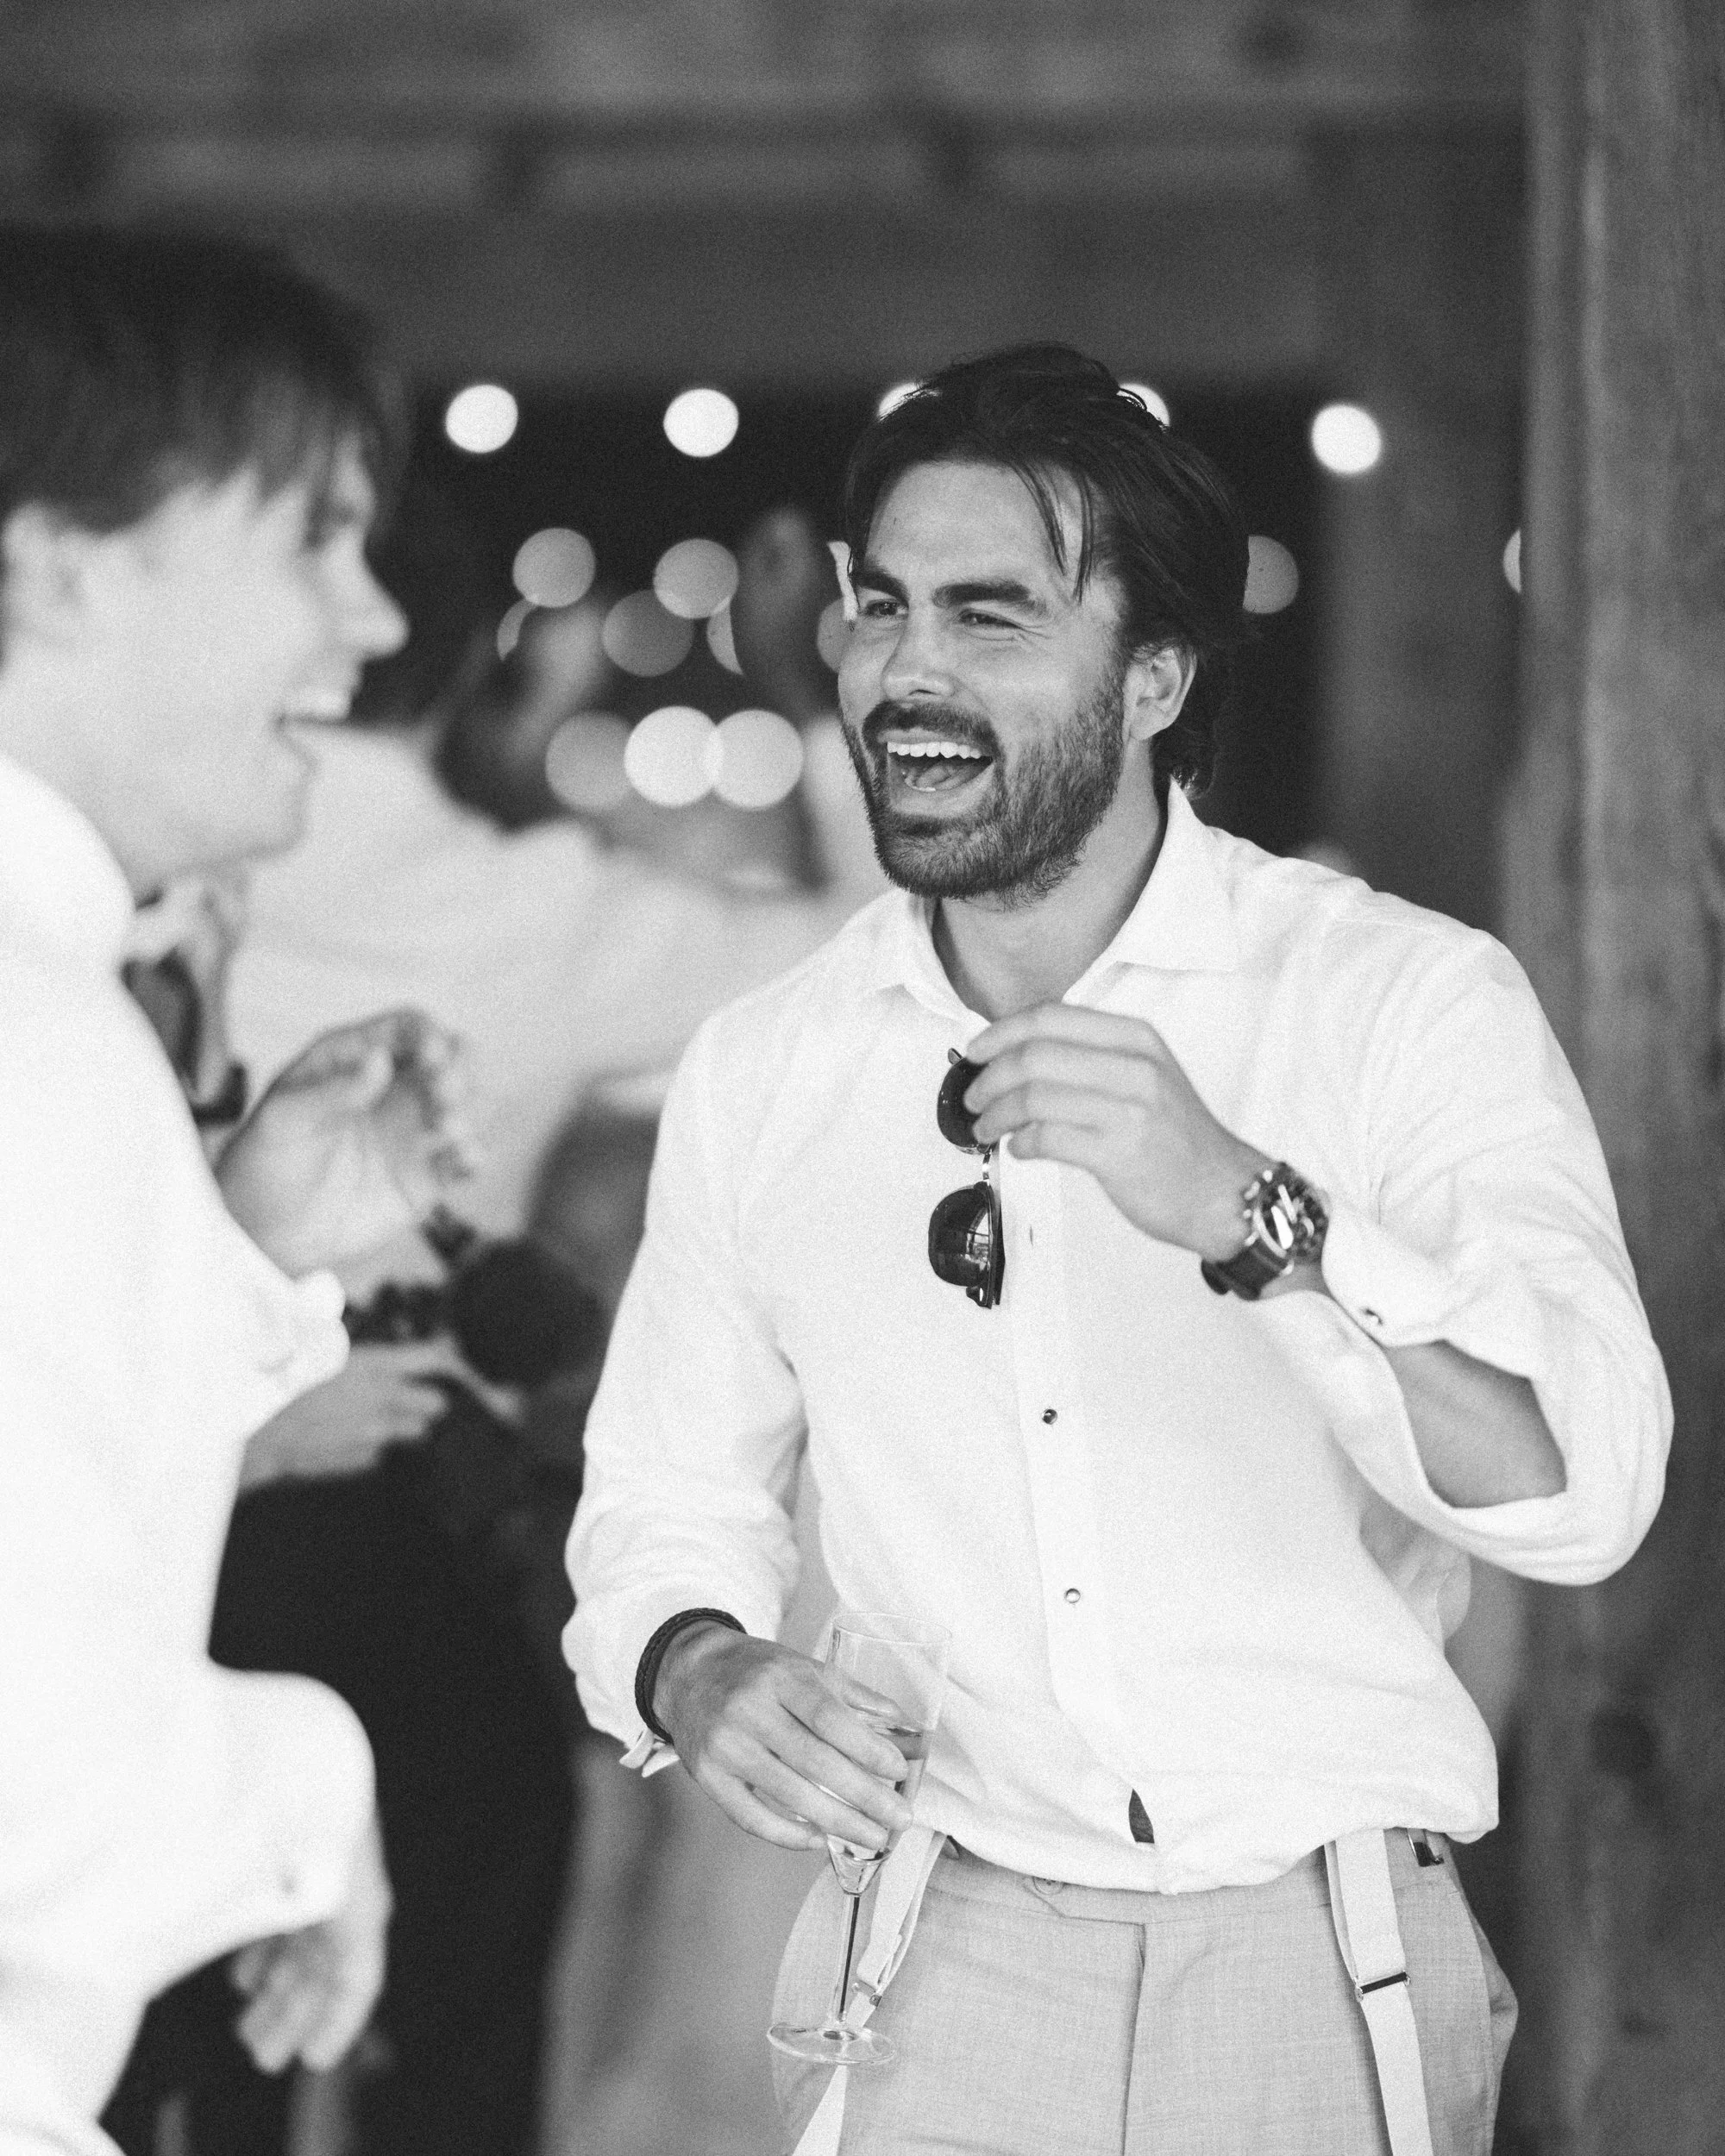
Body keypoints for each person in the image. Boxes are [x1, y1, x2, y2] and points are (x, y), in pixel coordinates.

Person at [564, 345, 1672, 2156]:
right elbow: (662, 1492)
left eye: (988, 614)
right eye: (882, 607)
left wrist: (1256, 1214)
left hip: (1312, 1960)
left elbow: (1585, 1487)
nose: (908, 669)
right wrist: (694, 1661)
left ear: (1155, 675)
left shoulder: (1398, 1002)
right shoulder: (770, 1067)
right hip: (932, 1954)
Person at [0, 223, 476, 2156]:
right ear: (59, 562)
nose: (371, 620)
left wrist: (238, 1248)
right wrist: (315, 1786)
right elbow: (32, 1780)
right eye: (313, 539)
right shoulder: (38, 1037)